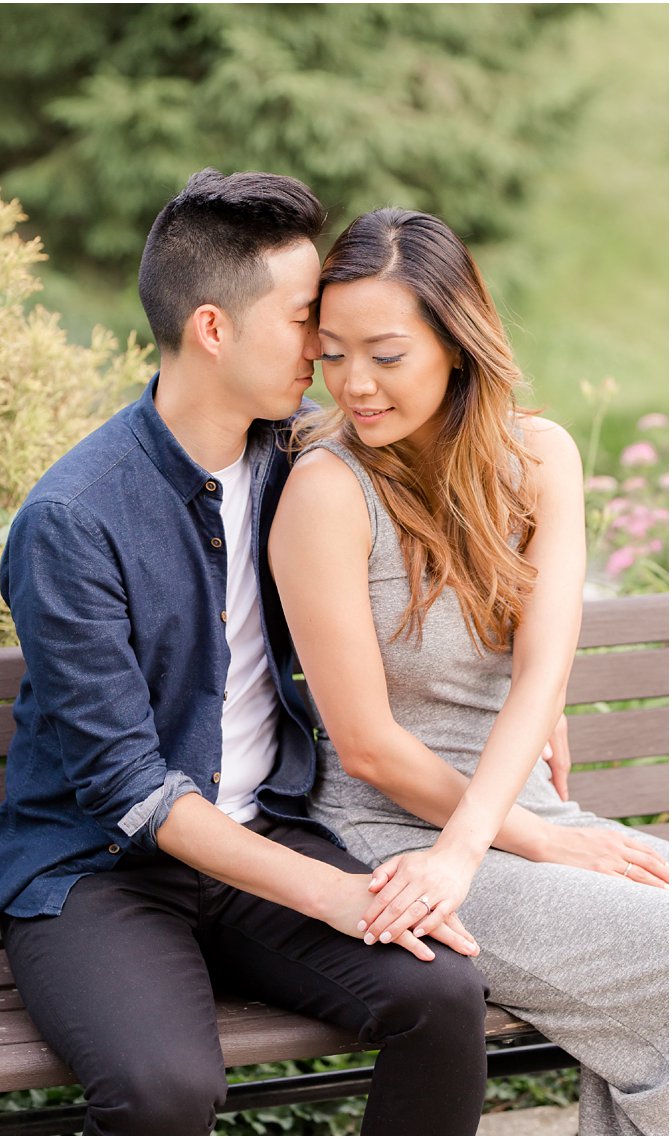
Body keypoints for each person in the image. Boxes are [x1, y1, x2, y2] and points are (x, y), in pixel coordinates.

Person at [0, 170, 491, 1136]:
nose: (327, 350)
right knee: (162, 1088)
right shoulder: (71, 520)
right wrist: (343, 897)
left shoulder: (303, 458)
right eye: (307, 320)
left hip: (262, 833)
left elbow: (452, 540)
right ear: (214, 328)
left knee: (440, 997)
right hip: (99, 876)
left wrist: (523, 683)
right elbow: (134, 791)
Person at [270, 207, 670, 1136]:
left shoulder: (541, 457)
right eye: (332, 354)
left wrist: (533, 830)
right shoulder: (328, 490)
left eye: (386, 353)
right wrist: (486, 845)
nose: (355, 384)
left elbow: (543, 669)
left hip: (523, 819)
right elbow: (365, 744)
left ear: (457, 342)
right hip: (398, 841)